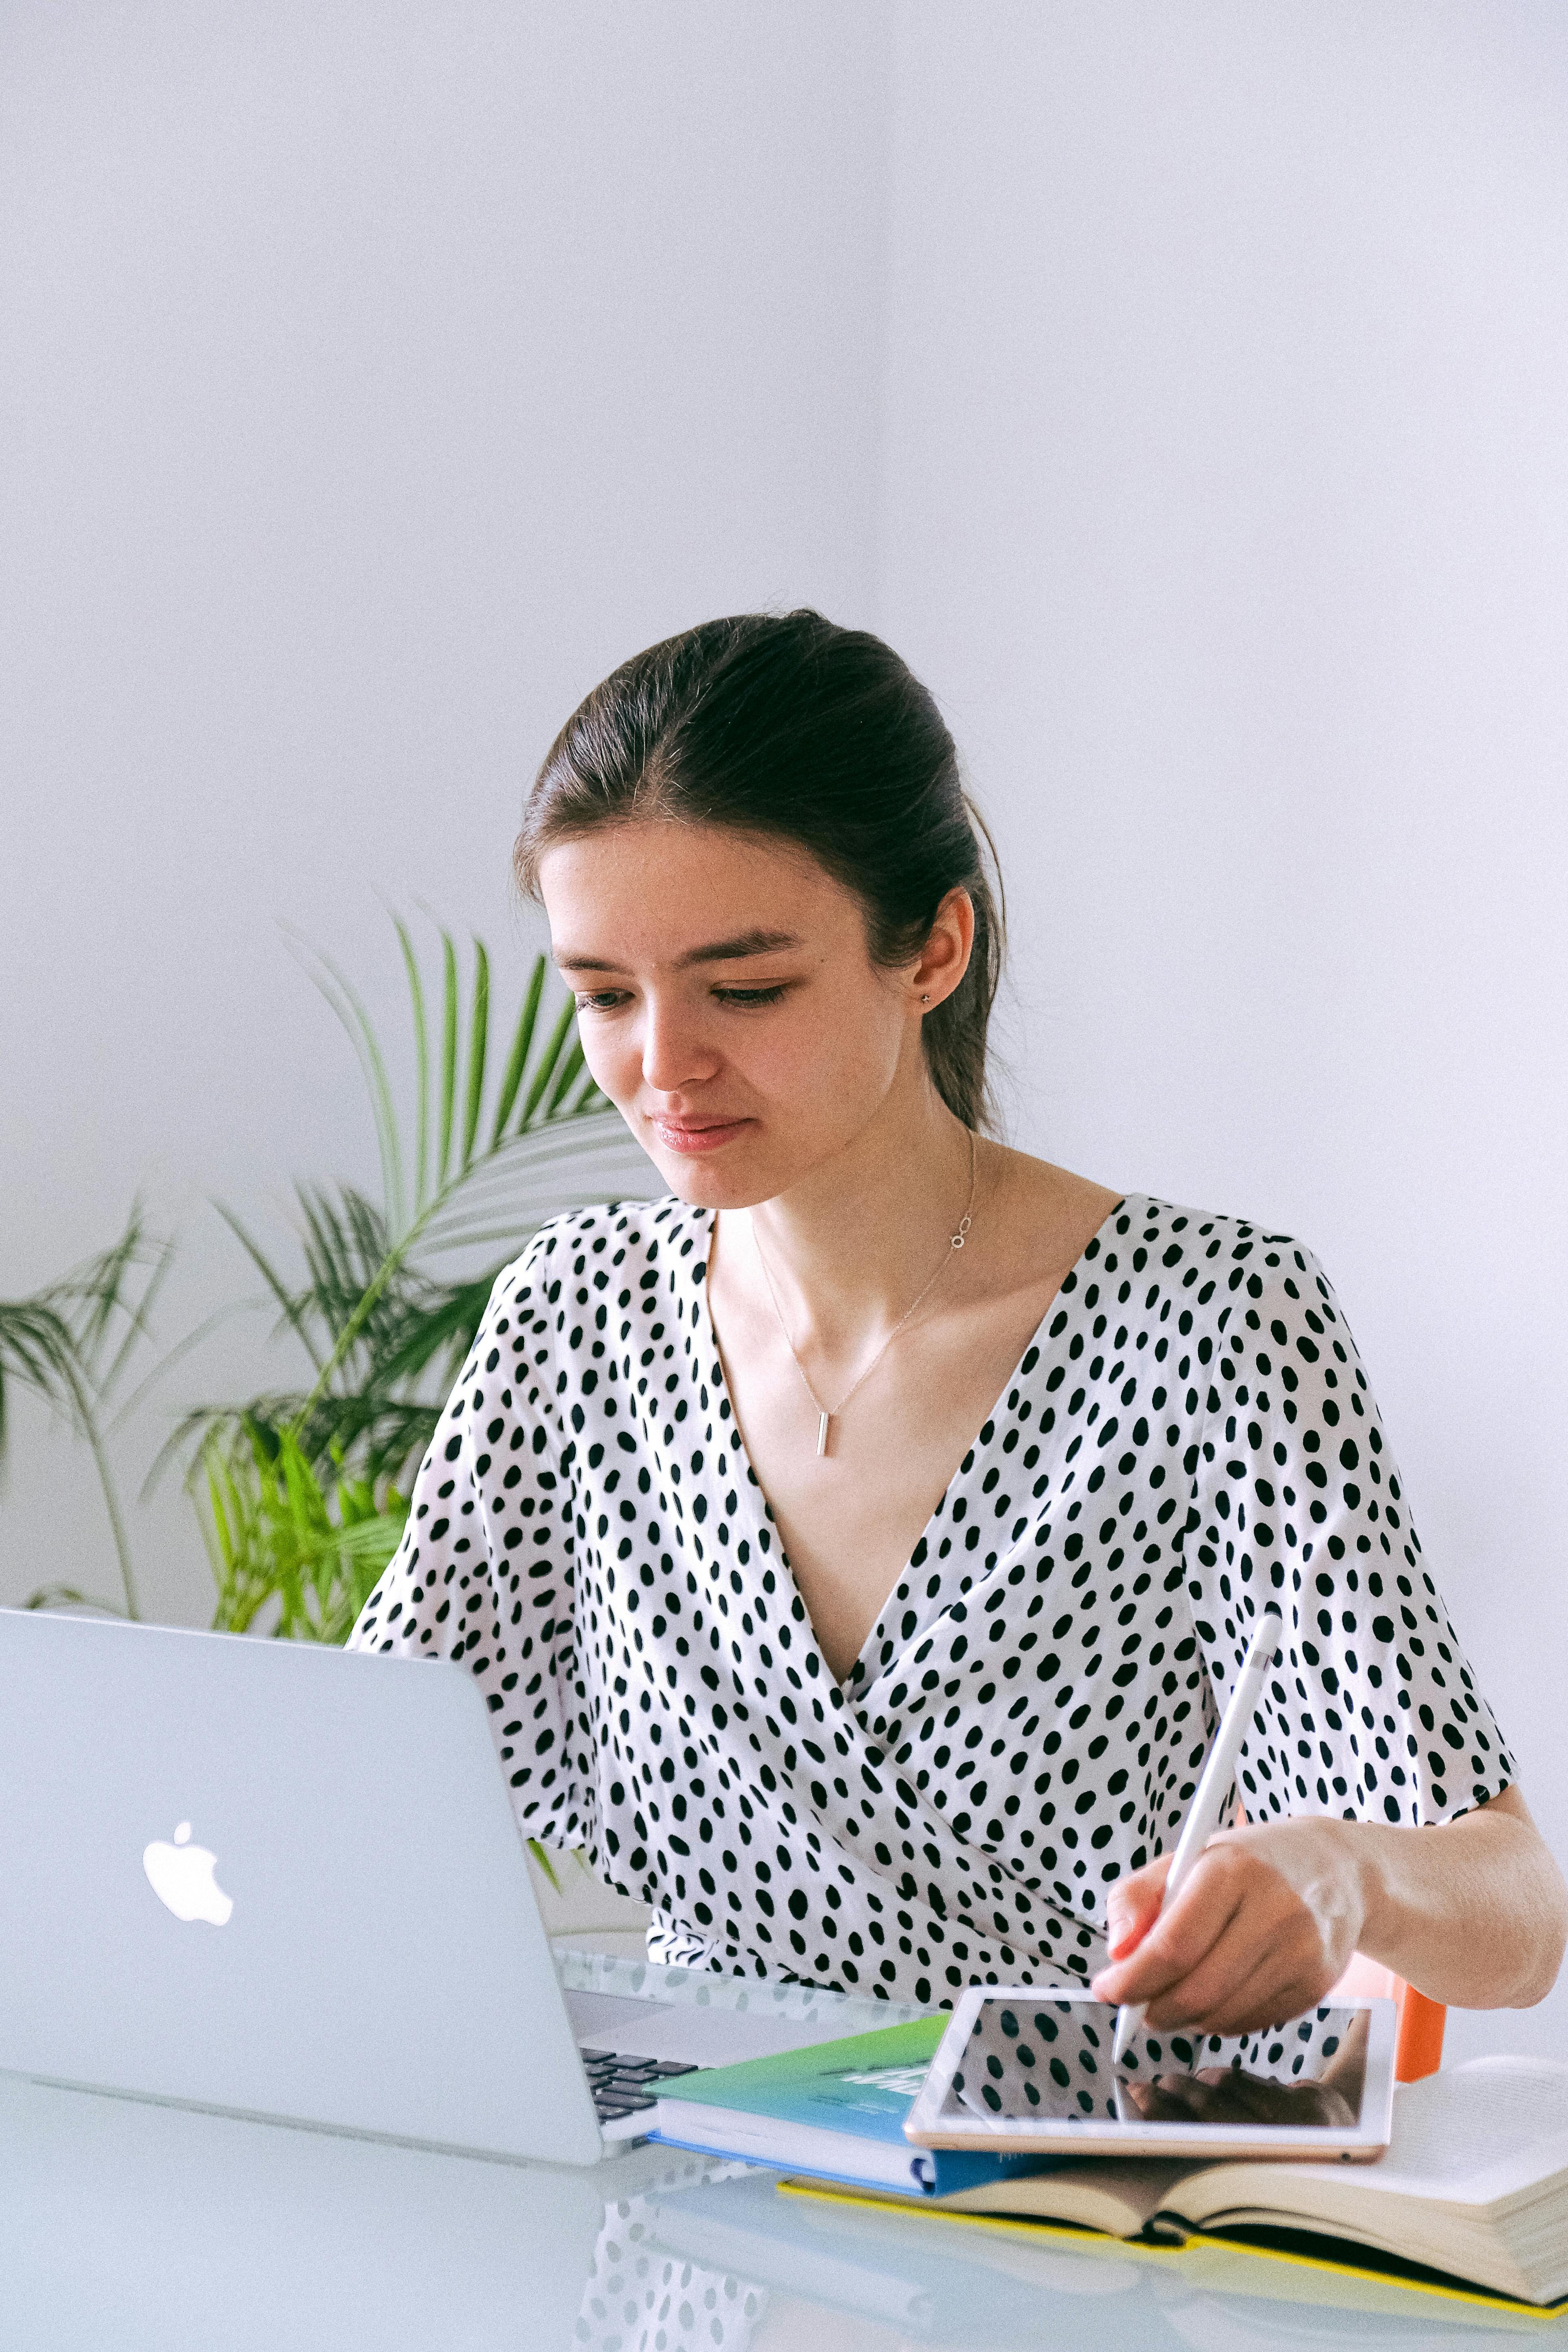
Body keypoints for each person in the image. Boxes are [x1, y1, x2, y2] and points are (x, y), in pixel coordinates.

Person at [350, 610, 1566, 2038]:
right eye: (606, 996)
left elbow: (1517, 1920)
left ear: (931, 950)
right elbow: (362, 1785)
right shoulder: (576, 1318)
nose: (664, 1066)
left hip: (1080, 2198)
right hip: (693, 2180)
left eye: (747, 988)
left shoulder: (1209, 1322)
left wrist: (1347, 1872)